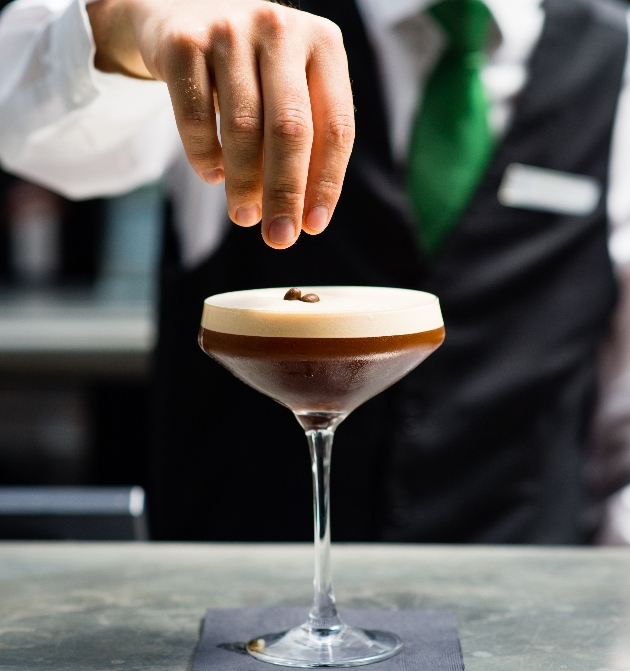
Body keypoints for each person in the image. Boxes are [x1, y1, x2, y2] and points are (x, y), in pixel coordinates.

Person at [1, 0, 629, 543]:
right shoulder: (239, 21)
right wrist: (128, 24)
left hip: (518, 601)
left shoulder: (615, 64)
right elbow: (21, 124)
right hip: (235, 606)